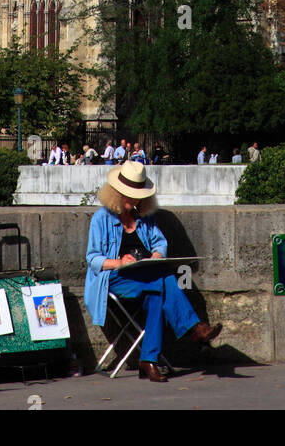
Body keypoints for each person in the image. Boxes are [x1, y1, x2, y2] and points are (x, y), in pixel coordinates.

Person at [84, 161, 221, 382]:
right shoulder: (102, 218)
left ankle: (148, 360)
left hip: (145, 276)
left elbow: (160, 243)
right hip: (114, 278)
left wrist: (156, 255)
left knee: (157, 295)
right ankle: (194, 328)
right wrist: (119, 262)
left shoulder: (144, 218)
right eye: (130, 194)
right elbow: (93, 259)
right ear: (116, 193)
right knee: (165, 279)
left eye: (138, 194)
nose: (135, 199)